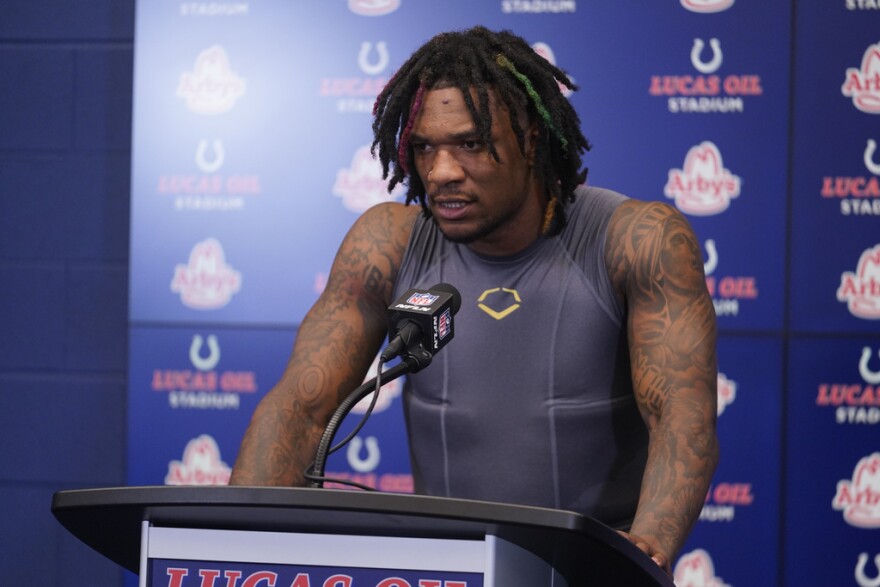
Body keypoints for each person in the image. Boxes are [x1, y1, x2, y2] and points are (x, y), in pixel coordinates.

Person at [230, 26, 719, 575]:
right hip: (444, 573)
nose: (441, 172)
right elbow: (302, 406)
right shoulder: (386, 242)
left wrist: (644, 548)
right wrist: (232, 549)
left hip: (587, 573)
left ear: (531, 139)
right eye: (423, 148)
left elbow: (680, 417)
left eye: (470, 143)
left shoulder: (638, 239)